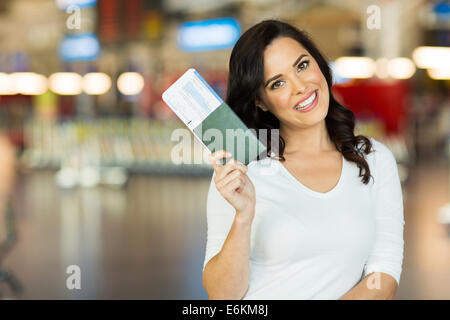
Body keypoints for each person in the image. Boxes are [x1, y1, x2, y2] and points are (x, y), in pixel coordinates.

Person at [201, 20, 405, 300]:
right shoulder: (241, 170)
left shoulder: (376, 160)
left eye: (302, 65)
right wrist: (243, 217)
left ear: (319, 64)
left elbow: (383, 275)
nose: (300, 86)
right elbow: (222, 296)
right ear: (260, 101)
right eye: (278, 83)